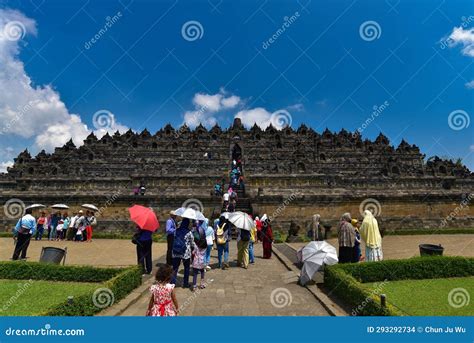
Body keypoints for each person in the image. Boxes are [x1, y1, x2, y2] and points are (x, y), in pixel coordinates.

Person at [171, 218, 195, 288]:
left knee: (175, 268)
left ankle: (173, 283)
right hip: (185, 253)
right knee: (186, 268)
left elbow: (173, 240)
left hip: (176, 252)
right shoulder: (189, 232)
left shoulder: (176, 231)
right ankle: (185, 283)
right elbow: (192, 243)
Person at [191, 223, 207, 291]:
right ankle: (202, 284)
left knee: (195, 274)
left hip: (195, 262)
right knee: (202, 272)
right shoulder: (205, 247)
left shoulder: (196, 246)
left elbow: (193, 252)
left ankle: (194, 286)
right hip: (202, 262)